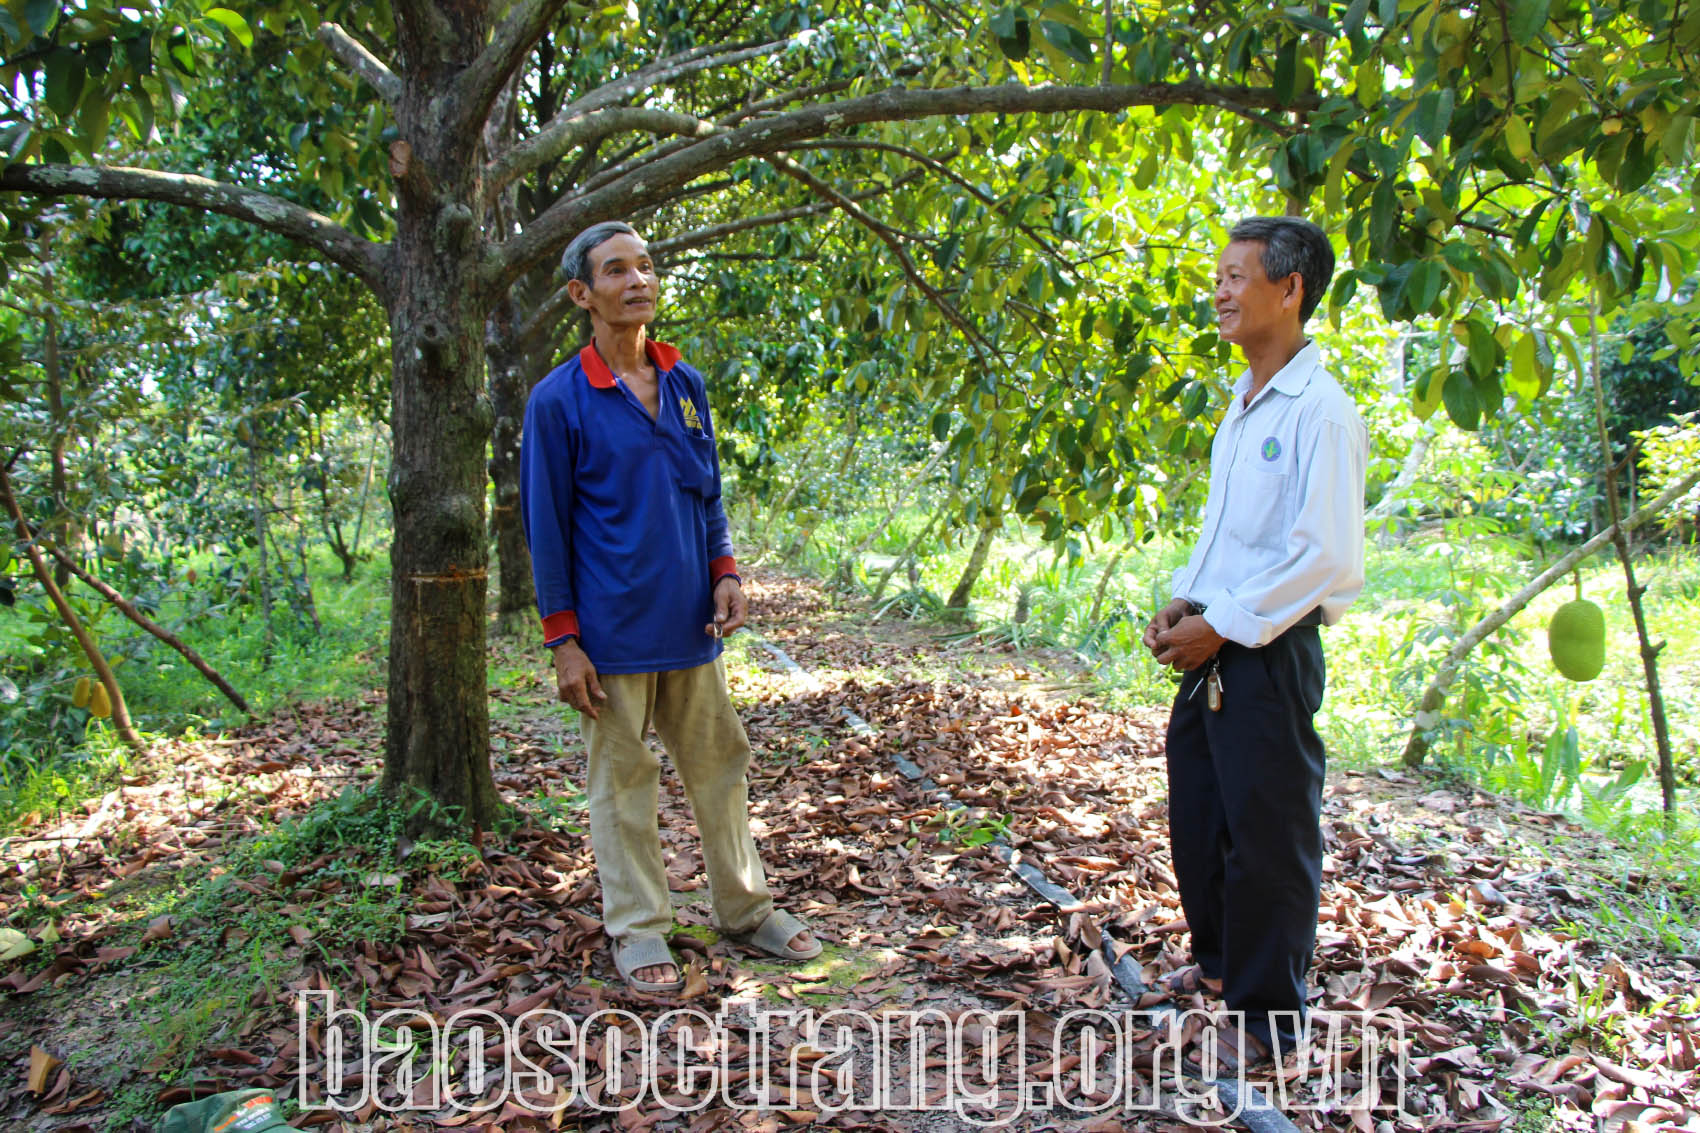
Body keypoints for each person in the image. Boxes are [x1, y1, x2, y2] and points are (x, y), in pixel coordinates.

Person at [520, 221, 819, 993]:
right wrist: (563, 640)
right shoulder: (558, 400)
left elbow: (705, 487)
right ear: (582, 294)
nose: (638, 280)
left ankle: (746, 909)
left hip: (692, 625)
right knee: (623, 784)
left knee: (721, 767)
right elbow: (545, 528)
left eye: (646, 265)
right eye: (616, 270)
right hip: (610, 635)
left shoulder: (685, 384)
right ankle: (640, 927)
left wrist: (725, 570)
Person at [1142, 216, 1367, 1070]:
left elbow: (1325, 558)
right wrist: (1186, 600)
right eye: (1220, 277)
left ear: (1290, 289)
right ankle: (1221, 969)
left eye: (1237, 277)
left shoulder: (1323, 413)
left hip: (1268, 654)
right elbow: (1229, 535)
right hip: (1215, 644)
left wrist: (1222, 623)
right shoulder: (1239, 410)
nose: (1221, 292)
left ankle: (1270, 1017)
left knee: (1270, 832)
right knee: (1202, 817)